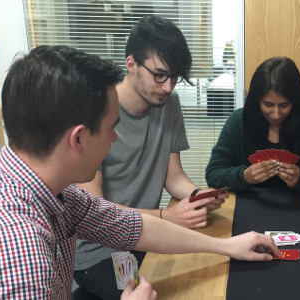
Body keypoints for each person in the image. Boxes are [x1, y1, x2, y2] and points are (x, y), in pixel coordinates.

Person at [0, 45, 280, 299]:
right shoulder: (18, 249)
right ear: (78, 139)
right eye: (110, 128)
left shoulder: (20, 180)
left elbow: (130, 226)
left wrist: (225, 246)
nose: (116, 138)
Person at [73, 16, 227, 299]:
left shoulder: (169, 103)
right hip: (104, 251)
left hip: (146, 237)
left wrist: (197, 195)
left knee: (212, 268)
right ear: (130, 63)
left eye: (174, 77)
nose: (168, 87)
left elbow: (173, 176)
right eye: (159, 75)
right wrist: (165, 217)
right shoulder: (95, 113)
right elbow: (96, 212)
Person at [205, 57, 300, 193]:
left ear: (296, 100)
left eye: (284, 105)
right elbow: (213, 174)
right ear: (256, 100)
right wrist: (244, 176)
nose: (276, 114)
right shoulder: (238, 121)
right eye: (268, 104)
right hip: (248, 204)